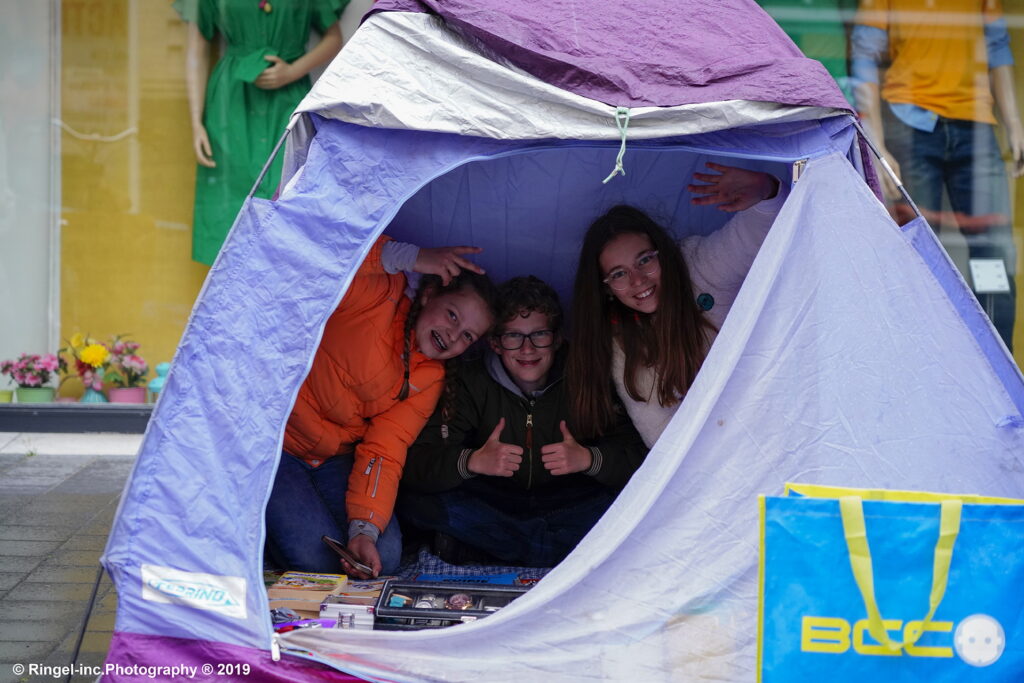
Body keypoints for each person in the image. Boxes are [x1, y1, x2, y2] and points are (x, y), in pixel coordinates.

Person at [264, 236, 498, 577]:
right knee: (315, 562)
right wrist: (409, 256)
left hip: (332, 457)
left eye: (467, 336)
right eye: (452, 315)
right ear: (430, 293)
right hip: (276, 445)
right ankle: (261, 528)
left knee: (381, 558)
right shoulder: (381, 295)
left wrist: (364, 530)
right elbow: (316, 265)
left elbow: (385, 449)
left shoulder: (430, 377)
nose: (452, 335)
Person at [400, 276, 647, 568]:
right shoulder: (471, 381)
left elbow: (639, 456)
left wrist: (588, 458)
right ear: (495, 343)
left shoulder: (586, 374)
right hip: (496, 501)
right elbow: (418, 463)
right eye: (513, 336)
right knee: (416, 502)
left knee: (635, 505)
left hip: (570, 500)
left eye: (539, 335)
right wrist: (472, 461)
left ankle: (502, 549)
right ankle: (552, 550)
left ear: (556, 339)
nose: (527, 349)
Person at [568, 164, 785, 448]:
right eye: (619, 274)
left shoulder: (697, 266)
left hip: (778, 412)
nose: (638, 280)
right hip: (721, 455)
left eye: (645, 260)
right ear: (606, 288)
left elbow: (759, 233)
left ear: (663, 253)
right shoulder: (621, 341)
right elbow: (660, 434)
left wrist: (766, 190)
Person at [851, 0, 1022, 350]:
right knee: (919, 254)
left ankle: (1000, 373)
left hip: (976, 126)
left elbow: (997, 45)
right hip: (910, 123)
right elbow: (865, 53)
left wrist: (1015, 124)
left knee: (994, 258)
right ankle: (927, 369)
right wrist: (877, 142)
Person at [175, 0, 346, 265]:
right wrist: (196, 123)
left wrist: (293, 71)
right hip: (230, 105)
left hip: (289, 102)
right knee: (230, 202)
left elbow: (334, 37)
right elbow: (196, 51)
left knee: (289, 195)